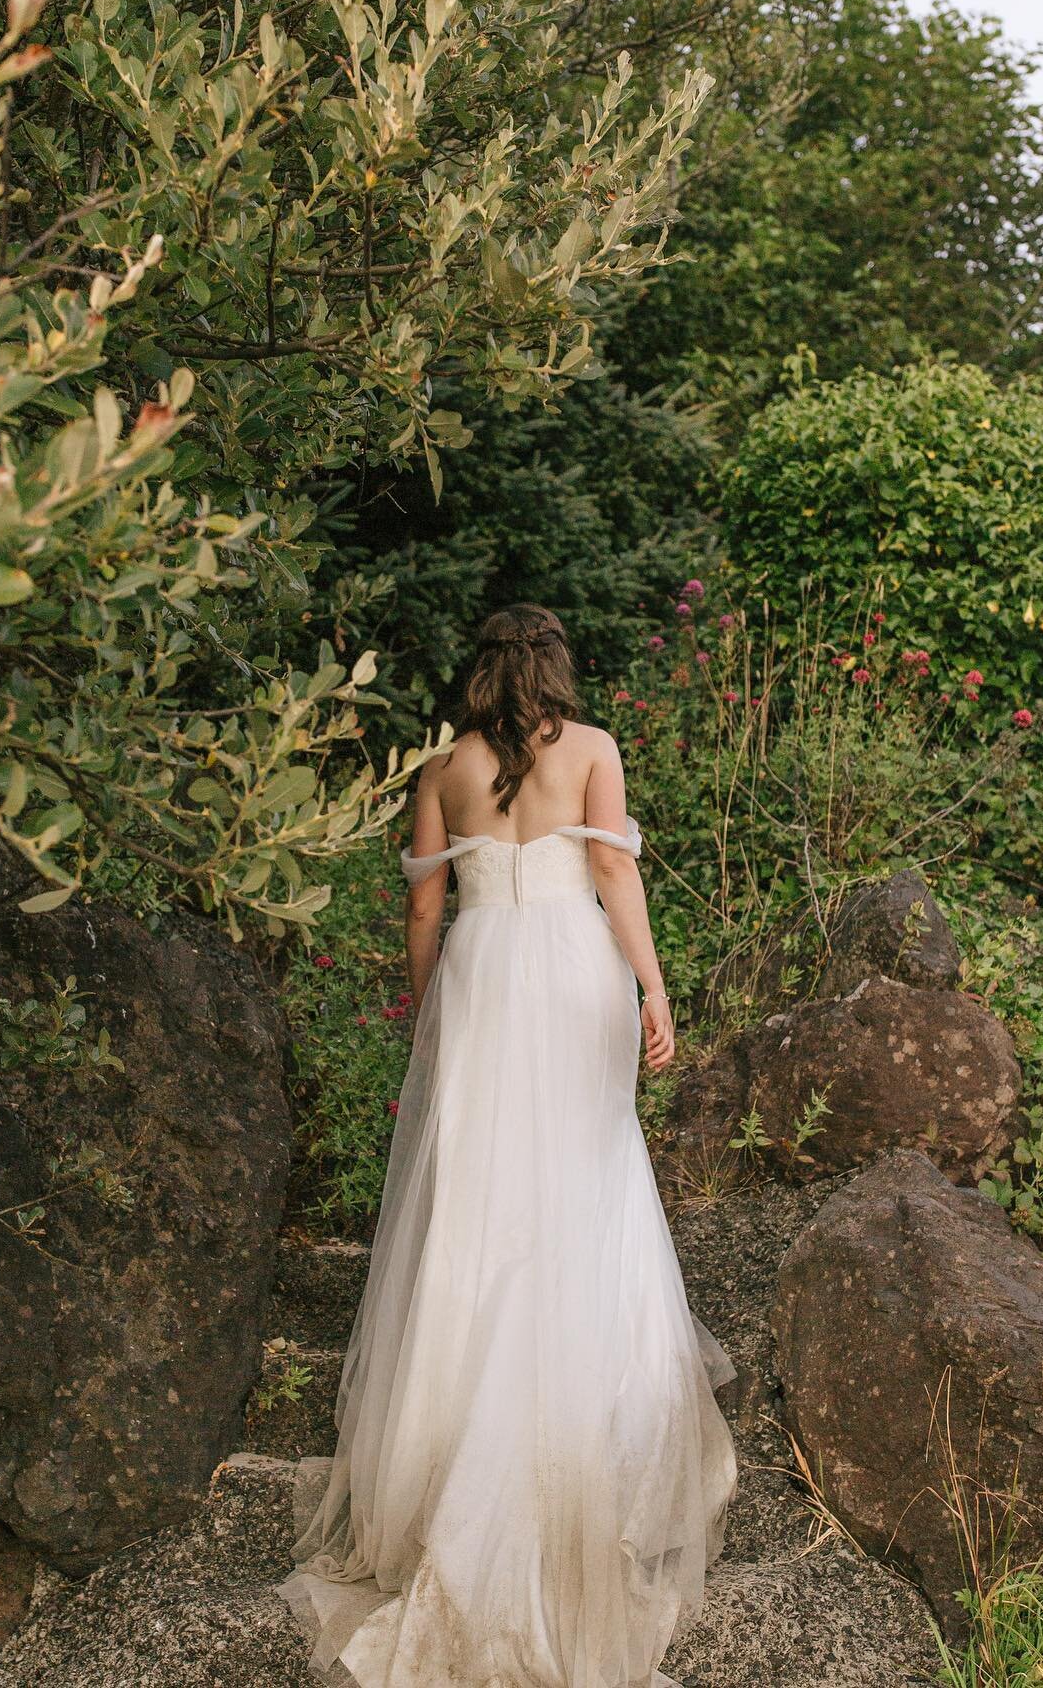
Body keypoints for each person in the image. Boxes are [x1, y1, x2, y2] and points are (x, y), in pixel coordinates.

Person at [278, 604, 737, 1687]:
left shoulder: (440, 768)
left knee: (479, 1193)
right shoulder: (592, 752)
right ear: (557, 668)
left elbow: (426, 911)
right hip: (577, 969)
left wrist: (433, 1010)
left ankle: (447, 1443)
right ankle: (591, 1423)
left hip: (485, 979)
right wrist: (654, 984)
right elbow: (616, 878)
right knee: (587, 1175)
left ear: (477, 668)